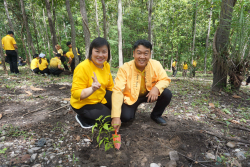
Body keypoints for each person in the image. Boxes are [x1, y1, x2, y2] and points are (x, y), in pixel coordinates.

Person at [111, 39, 172, 132]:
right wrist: (115, 116)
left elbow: (165, 79)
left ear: (150, 54)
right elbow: (118, 90)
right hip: (131, 97)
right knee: (126, 117)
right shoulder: (125, 68)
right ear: (133, 54)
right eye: (139, 53)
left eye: (146, 53)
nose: (142, 57)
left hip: (149, 94)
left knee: (167, 94)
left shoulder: (156, 64)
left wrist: (156, 88)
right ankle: (130, 113)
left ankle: (156, 115)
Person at [70, 37, 114, 128]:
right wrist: (92, 89)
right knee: (108, 119)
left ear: (108, 53)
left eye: (104, 51)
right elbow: (75, 93)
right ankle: (82, 117)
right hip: (84, 103)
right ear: (91, 51)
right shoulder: (82, 67)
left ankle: (102, 110)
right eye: (97, 51)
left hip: (99, 97)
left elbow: (110, 86)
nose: (101, 55)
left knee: (119, 108)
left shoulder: (106, 65)